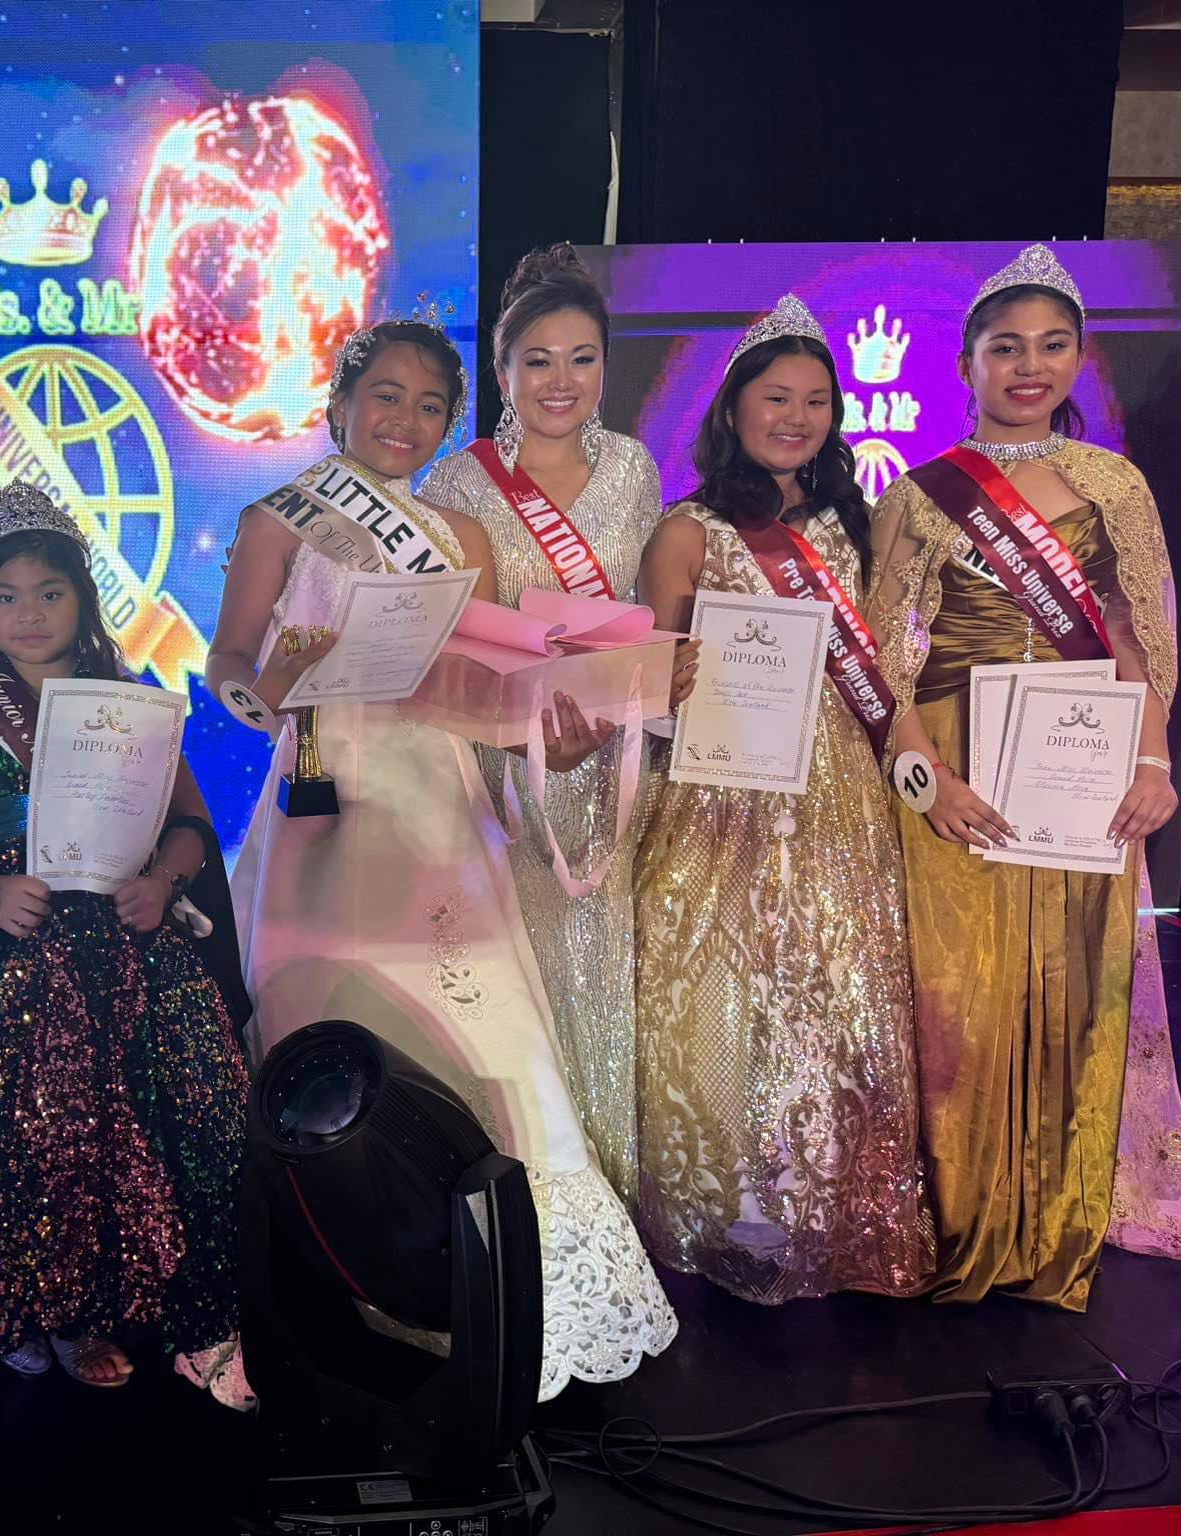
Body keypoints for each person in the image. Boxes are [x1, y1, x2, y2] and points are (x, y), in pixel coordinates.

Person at [216, 314, 676, 1400]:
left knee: (476, 1017)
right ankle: (353, 1264)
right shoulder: (277, 517)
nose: (406, 419)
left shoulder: (456, 539)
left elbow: (476, 681)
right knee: (327, 1018)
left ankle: (491, 1271)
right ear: (339, 402)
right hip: (322, 792)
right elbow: (228, 660)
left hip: (431, 794)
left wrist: (547, 725)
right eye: (386, 395)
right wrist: (268, 687)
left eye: (430, 404)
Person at [866, 246, 1181, 1309]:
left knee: (1066, 992)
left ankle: (1056, 1210)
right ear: (964, 361)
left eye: (1050, 346)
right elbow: (884, 667)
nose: (1026, 365)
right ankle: (959, 1213)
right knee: (958, 1003)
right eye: (1004, 346)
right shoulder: (917, 495)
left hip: (1080, 767)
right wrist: (926, 785)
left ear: (1077, 359)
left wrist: (1151, 760)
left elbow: (1142, 637)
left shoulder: (1113, 486)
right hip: (961, 768)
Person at [0, 484, 252, 1407]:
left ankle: (142, 1307)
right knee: (32, 1078)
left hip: (120, 934)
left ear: (84, 601)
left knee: (195, 1081)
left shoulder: (131, 703)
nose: (27, 613)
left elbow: (187, 823)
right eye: (6, 595)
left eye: (49, 593)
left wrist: (161, 884)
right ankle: (30, 1302)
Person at [630, 297, 933, 1303]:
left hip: (837, 785)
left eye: (813, 400)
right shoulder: (689, 530)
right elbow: (648, 676)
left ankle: (833, 1203)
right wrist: (677, 682)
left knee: (829, 985)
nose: (794, 416)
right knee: (718, 982)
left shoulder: (859, 522)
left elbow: (886, 659)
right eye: (774, 397)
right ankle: (728, 1203)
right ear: (733, 407)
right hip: (718, 788)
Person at [424, 244, 680, 1202]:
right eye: (538, 360)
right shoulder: (459, 485)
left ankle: (608, 1188)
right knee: (522, 972)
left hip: (609, 757)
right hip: (507, 763)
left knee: (603, 964)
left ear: (605, 367)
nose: (560, 380)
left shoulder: (634, 471)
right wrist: (523, 736)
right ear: (502, 373)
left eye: (581, 357)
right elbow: (461, 640)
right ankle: (534, 1197)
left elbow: (638, 613)